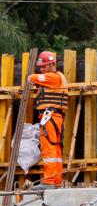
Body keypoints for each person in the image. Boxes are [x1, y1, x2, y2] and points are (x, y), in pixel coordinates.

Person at [28, 51, 68, 189]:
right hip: (56, 118)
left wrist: (34, 79)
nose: (42, 69)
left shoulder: (52, 77)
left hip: (50, 117)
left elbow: (31, 78)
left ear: (52, 64)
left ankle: (49, 182)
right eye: (41, 67)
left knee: (49, 149)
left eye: (44, 66)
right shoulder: (59, 77)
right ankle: (55, 180)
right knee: (55, 150)